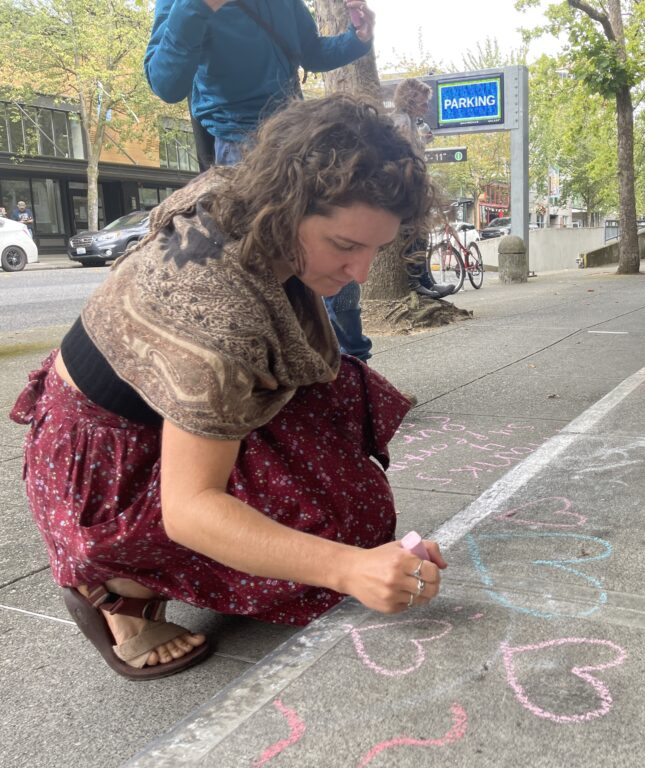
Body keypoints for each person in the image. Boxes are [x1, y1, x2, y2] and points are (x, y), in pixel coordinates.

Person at [10, 95, 447, 680]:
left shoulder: (243, 195)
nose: (361, 273)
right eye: (345, 246)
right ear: (289, 207)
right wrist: (348, 568)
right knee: (339, 538)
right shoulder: (215, 310)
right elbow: (191, 511)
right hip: (103, 463)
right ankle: (118, 587)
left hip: (157, 409)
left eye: (376, 248)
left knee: (351, 496)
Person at [144, 0, 377, 361]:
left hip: (297, 138)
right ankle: (264, 369)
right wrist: (198, 6)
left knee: (330, 251)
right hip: (240, 148)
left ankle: (349, 364)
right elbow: (166, 82)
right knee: (260, 270)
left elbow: (310, 52)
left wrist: (356, 39)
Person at [390, 78, 455, 299]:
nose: (427, 107)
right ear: (410, 100)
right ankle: (414, 281)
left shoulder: (411, 122)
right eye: (423, 102)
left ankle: (423, 278)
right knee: (414, 233)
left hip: (414, 185)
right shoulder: (401, 122)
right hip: (408, 187)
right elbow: (402, 155)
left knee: (422, 233)